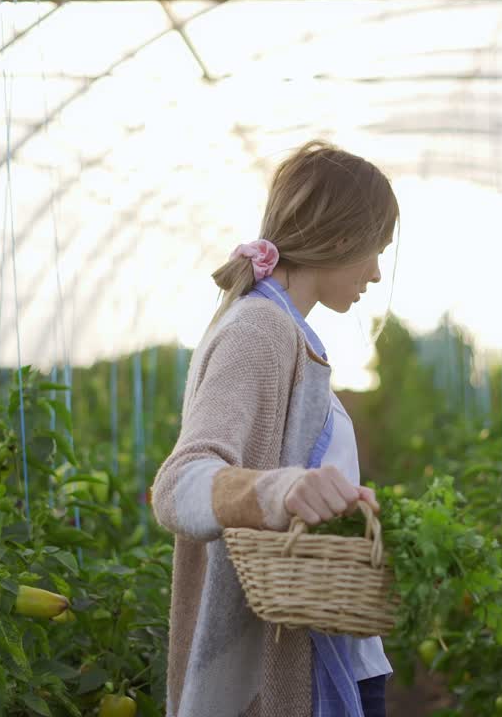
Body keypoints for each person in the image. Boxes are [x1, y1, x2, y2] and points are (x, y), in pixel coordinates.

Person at [150, 140, 399, 717]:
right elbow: (179, 483)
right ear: (341, 238)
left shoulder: (283, 330)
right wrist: (280, 489)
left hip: (335, 650)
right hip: (299, 669)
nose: (377, 273)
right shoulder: (259, 330)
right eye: (375, 250)